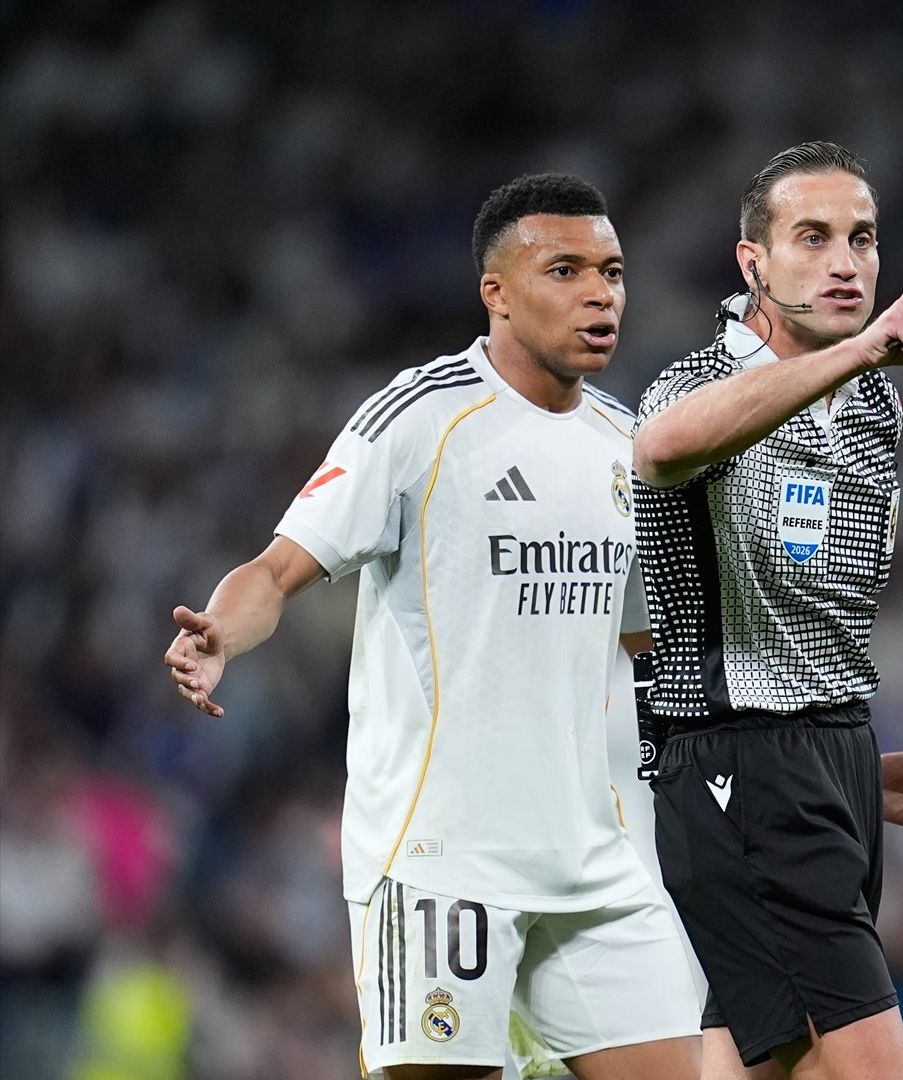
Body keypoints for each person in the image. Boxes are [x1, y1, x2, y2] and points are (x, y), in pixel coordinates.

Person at [162, 174, 701, 1080]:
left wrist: (818, 760)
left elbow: (649, 650)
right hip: (443, 858)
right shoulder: (416, 420)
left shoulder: (632, 446)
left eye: (611, 270)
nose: (599, 291)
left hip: (594, 864)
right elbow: (277, 568)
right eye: (564, 269)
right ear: (495, 291)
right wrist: (218, 631)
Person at [630, 141, 903, 1079]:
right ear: (753, 263)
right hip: (742, 767)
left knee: (766, 1063)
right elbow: (660, 448)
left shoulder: (872, 401)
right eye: (813, 237)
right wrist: (874, 341)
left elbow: (804, 619)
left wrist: (851, 769)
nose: (846, 262)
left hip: (820, 759)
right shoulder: (697, 382)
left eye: (863, 239)